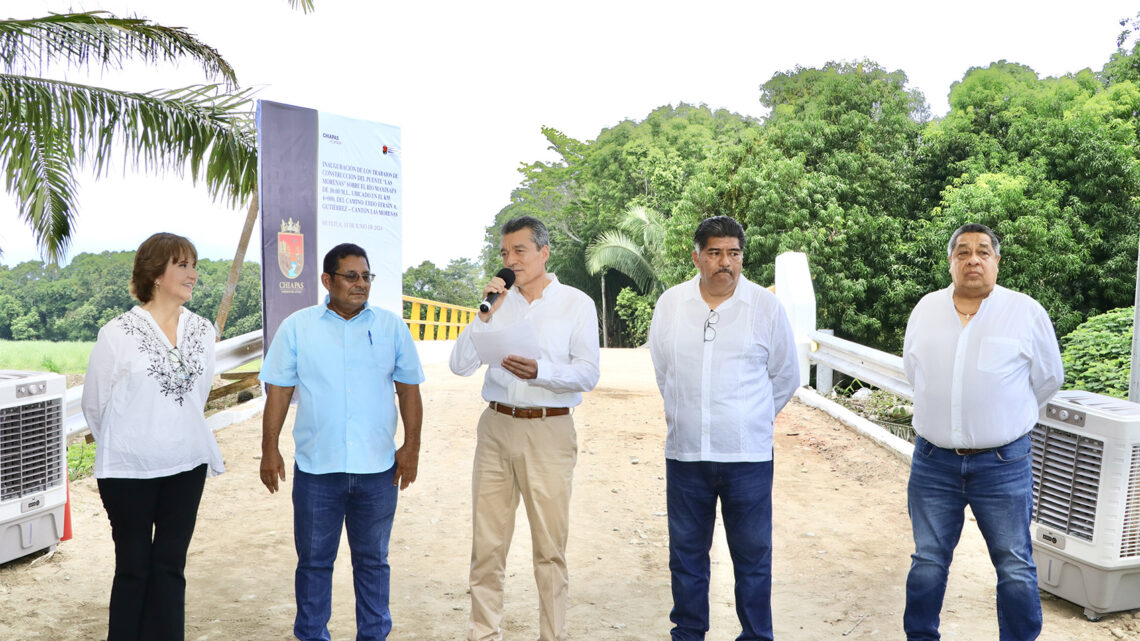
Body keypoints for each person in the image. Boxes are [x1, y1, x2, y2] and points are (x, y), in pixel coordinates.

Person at [902, 222, 1064, 641]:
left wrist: (1000, 416)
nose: (972, 259)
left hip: (1003, 464)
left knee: (1014, 564)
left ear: (997, 260)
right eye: (962, 251)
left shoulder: (1025, 312)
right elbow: (914, 373)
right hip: (932, 463)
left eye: (982, 251)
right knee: (928, 561)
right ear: (950, 261)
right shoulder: (926, 309)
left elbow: (1048, 379)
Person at [259, 243, 424, 641]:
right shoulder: (298, 327)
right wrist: (269, 449)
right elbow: (278, 391)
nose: (361, 284)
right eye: (351, 276)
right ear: (327, 280)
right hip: (318, 470)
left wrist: (411, 448)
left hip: (378, 470)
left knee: (373, 562)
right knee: (314, 563)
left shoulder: (390, 327)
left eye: (366, 276)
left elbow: (409, 392)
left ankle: (374, 636)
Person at [449, 216, 600, 641]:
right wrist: (485, 313)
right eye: (504, 252)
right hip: (496, 427)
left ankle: (552, 635)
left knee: (549, 549)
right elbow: (460, 364)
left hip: (548, 431)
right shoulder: (496, 303)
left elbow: (588, 373)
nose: (510, 260)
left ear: (544, 252)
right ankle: (484, 633)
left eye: (519, 251)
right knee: (487, 545)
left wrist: (542, 372)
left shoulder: (576, 303)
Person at [648, 215, 799, 641]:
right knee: (687, 556)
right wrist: (688, 412)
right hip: (686, 455)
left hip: (747, 458)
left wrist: (748, 418)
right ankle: (689, 633)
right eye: (714, 253)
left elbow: (785, 375)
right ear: (696, 257)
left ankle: (756, 635)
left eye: (733, 254)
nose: (725, 263)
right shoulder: (671, 305)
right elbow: (665, 371)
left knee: (753, 557)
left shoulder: (765, 308)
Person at [82, 232, 224, 641]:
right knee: (133, 568)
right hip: (128, 469)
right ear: (155, 274)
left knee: (169, 568)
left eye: (194, 265)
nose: (193, 274)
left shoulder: (202, 332)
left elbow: (197, 396)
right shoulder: (117, 333)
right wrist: (132, 438)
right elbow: (95, 405)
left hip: (187, 463)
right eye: (182, 264)